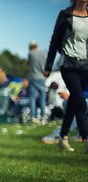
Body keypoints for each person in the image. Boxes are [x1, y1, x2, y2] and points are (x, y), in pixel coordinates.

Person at [44, 0, 88, 153]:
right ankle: (86, 137)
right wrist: (49, 65)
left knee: (74, 101)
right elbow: (55, 40)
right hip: (68, 63)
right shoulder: (65, 15)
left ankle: (63, 137)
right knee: (80, 100)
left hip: (85, 65)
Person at [27, 41, 48, 124]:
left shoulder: (31, 54)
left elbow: (28, 64)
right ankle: (43, 117)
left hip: (33, 77)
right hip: (42, 78)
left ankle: (33, 116)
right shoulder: (44, 53)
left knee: (32, 98)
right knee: (43, 99)